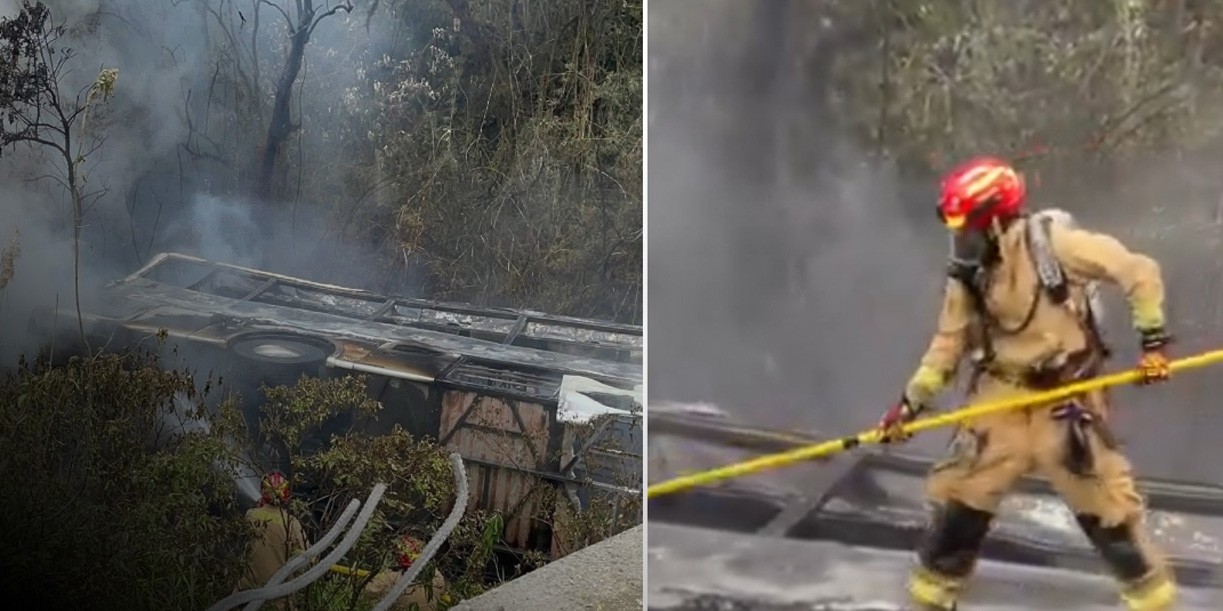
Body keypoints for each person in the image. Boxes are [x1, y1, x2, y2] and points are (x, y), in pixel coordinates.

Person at [876, 157, 1176, 610]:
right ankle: (931, 599)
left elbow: (1139, 272)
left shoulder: (1054, 245)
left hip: (1064, 397)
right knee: (962, 496)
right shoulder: (969, 273)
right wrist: (909, 405)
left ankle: (1153, 602)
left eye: (968, 225)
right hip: (1001, 397)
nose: (961, 237)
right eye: (955, 227)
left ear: (995, 219)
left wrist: (1153, 345)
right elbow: (947, 346)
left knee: (1107, 507)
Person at [239, 471, 310, 607]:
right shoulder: (291, 523)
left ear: (263, 491)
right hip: (278, 596)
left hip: (246, 592)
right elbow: (308, 555)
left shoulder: (251, 515)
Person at [362, 534, 450, 611]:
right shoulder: (436, 577)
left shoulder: (391, 579)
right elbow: (443, 588)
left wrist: (388, 572)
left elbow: (369, 591)